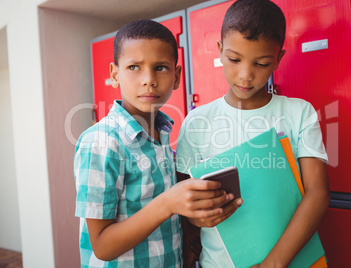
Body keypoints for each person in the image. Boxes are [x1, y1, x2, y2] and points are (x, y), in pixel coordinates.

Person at [175, 0, 330, 267]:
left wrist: (272, 264)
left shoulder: (299, 113)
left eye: (261, 63)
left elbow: (318, 194)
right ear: (220, 51)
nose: (246, 76)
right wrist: (197, 218)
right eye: (235, 59)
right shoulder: (196, 121)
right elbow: (185, 202)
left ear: (278, 60)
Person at [74, 19, 236, 267]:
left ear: (177, 76)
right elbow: (102, 246)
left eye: (160, 67)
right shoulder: (102, 142)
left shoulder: (164, 138)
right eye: (134, 67)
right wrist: (169, 202)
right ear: (114, 74)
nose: (148, 79)